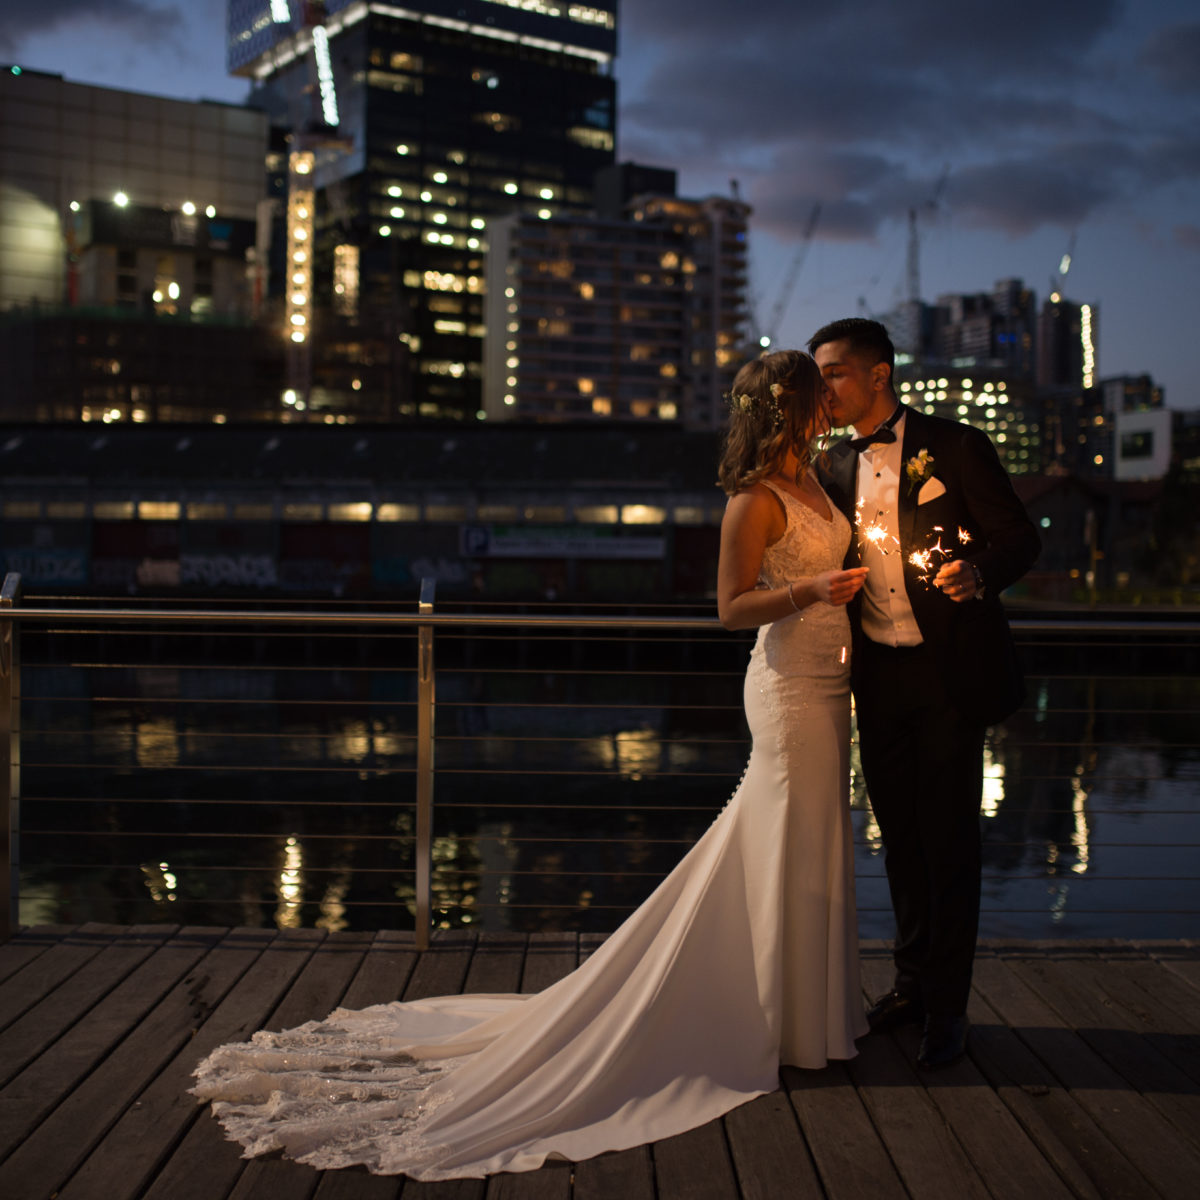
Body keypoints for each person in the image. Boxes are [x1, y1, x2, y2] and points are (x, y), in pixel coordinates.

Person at [191, 349, 868, 1179]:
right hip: (787, 689)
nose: (830, 404)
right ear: (791, 408)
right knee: (778, 843)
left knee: (810, 846)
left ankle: (804, 1019)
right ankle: (765, 1020)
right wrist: (812, 592)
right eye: (817, 395)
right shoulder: (754, 500)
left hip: (832, 687)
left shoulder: (821, 480)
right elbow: (730, 609)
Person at [809, 318, 1040, 1070]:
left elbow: (1021, 537)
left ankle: (949, 1007)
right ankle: (909, 985)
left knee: (950, 844)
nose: (826, 388)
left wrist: (979, 574)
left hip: (949, 675)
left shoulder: (960, 444)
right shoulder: (832, 464)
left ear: (880, 375)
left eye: (836, 372)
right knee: (899, 840)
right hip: (875, 677)